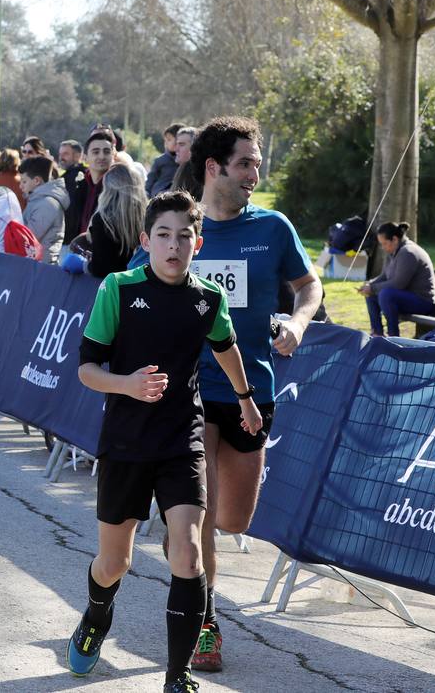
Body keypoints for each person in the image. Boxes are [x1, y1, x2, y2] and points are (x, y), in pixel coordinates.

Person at [133, 116, 321, 674]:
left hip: (249, 391)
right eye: (245, 164)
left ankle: (190, 562)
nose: (254, 175)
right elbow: (130, 285)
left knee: (234, 519)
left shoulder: (273, 228)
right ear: (213, 167)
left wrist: (299, 323)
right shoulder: (180, 227)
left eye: (257, 165)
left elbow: (309, 286)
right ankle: (203, 618)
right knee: (197, 517)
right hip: (184, 392)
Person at [68, 190, 260, 693]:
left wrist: (245, 399)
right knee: (115, 563)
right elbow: (87, 369)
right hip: (127, 442)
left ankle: (178, 675)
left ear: (197, 243)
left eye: (183, 237)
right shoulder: (119, 288)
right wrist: (127, 384)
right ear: (145, 240)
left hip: (183, 440)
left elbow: (226, 346)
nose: (173, 246)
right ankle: (95, 614)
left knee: (189, 554)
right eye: (163, 235)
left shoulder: (208, 298)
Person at [358, 221, 435, 336]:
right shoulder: (393, 251)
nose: (383, 247)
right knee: (371, 294)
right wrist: (369, 284)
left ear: (394, 239)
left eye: (384, 243)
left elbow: (398, 284)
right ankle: (377, 333)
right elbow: (384, 276)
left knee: (385, 294)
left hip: (422, 301)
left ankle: (393, 336)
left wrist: (373, 288)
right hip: (404, 296)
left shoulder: (408, 252)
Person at [86, 164, 149, 279]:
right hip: (140, 285)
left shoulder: (103, 220)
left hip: (112, 289)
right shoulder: (149, 216)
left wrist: (85, 265)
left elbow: (101, 269)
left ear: (108, 189)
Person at [65, 129, 116, 249]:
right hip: (79, 254)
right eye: (96, 152)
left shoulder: (118, 188)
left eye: (106, 151)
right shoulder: (79, 186)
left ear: (113, 155)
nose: (101, 156)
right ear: (85, 157)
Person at [19, 156, 67, 264]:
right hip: (36, 263)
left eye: (24, 181)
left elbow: (28, 237)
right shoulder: (37, 200)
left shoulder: (47, 204)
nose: (20, 186)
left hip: (42, 266)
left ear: (36, 181)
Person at [145, 123, 184, 196]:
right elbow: (150, 181)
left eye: (169, 140)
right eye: (165, 140)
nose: (165, 143)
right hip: (159, 195)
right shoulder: (160, 161)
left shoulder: (186, 162)